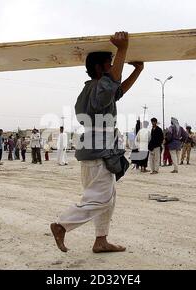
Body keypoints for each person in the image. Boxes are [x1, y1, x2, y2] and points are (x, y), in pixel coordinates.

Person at [51, 31, 144, 253]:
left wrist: (138, 70)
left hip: (93, 152)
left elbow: (118, 90)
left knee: (108, 200)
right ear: (100, 69)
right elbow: (112, 84)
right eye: (109, 64)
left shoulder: (92, 89)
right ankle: (62, 225)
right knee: (101, 199)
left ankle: (101, 240)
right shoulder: (99, 88)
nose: (113, 68)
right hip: (98, 153)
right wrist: (122, 49)